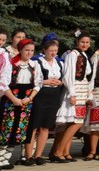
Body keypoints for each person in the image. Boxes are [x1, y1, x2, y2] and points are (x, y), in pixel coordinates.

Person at [51, 31, 92, 163]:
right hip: (74, 91)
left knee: (73, 122)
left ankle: (63, 151)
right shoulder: (72, 55)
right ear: (77, 42)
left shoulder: (84, 54)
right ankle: (58, 151)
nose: (85, 44)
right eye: (82, 42)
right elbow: (68, 75)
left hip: (82, 91)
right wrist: (72, 93)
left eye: (87, 42)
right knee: (76, 122)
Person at [0, 39, 41, 166]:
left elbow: (38, 84)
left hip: (26, 102)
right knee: (7, 129)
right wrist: (14, 99)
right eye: (26, 50)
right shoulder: (12, 64)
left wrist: (29, 98)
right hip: (11, 100)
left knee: (19, 130)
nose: (29, 53)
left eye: (32, 50)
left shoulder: (34, 65)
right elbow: (3, 83)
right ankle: (2, 160)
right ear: (20, 50)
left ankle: (6, 159)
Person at [26, 36, 63, 165]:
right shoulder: (38, 62)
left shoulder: (59, 63)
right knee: (34, 126)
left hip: (53, 95)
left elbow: (64, 78)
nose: (53, 53)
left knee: (46, 127)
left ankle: (38, 155)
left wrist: (60, 82)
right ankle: (28, 155)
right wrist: (45, 81)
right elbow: (32, 80)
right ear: (45, 50)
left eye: (55, 50)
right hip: (41, 95)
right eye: (51, 50)